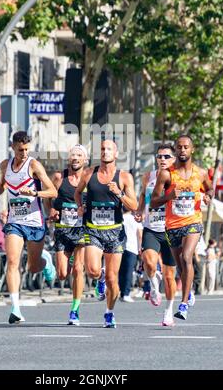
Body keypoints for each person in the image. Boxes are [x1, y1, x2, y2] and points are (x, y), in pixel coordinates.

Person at [0, 131, 57, 324]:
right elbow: (2, 185)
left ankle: (45, 262)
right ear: (13, 147)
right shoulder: (5, 165)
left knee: (32, 267)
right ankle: (15, 307)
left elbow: (52, 190)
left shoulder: (33, 165)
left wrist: (34, 192)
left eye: (26, 149)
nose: (24, 153)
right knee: (13, 261)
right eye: (20, 149)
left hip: (34, 222)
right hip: (14, 221)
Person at [75, 139, 138, 328]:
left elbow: (134, 206)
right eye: (102, 149)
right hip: (93, 230)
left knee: (113, 278)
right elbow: (78, 193)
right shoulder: (88, 174)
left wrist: (119, 193)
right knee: (93, 270)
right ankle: (99, 277)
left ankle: (109, 312)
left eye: (109, 149)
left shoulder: (124, 177)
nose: (105, 152)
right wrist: (80, 206)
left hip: (115, 232)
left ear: (116, 154)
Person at [151, 134, 213, 320]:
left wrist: (208, 196)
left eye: (186, 147)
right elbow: (153, 202)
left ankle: (184, 304)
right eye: (179, 147)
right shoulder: (167, 174)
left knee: (187, 257)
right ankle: (189, 290)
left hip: (193, 222)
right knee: (181, 267)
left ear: (192, 149)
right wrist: (168, 197)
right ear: (176, 150)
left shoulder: (200, 173)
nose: (183, 150)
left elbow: (210, 188)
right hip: (172, 226)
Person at [135, 144, 177, 327]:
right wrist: (139, 210)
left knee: (169, 276)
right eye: (159, 156)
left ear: (174, 159)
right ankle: (153, 282)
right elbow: (144, 195)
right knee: (149, 262)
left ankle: (168, 312)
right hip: (151, 227)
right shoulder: (148, 176)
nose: (162, 159)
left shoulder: (179, 178)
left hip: (171, 230)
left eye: (167, 156)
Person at [47, 144, 88, 326]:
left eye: (79, 155)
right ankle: (54, 265)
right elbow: (47, 197)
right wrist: (52, 210)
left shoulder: (90, 179)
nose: (76, 158)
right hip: (63, 229)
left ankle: (75, 310)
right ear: (68, 158)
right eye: (73, 155)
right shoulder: (58, 177)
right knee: (63, 274)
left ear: (85, 160)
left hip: (81, 229)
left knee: (78, 269)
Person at [119, 209, 142, 303]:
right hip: (132, 247)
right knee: (129, 271)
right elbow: (140, 234)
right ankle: (126, 294)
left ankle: (121, 293)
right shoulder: (135, 218)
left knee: (121, 271)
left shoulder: (121, 217)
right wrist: (140, 247)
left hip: (121, 246)